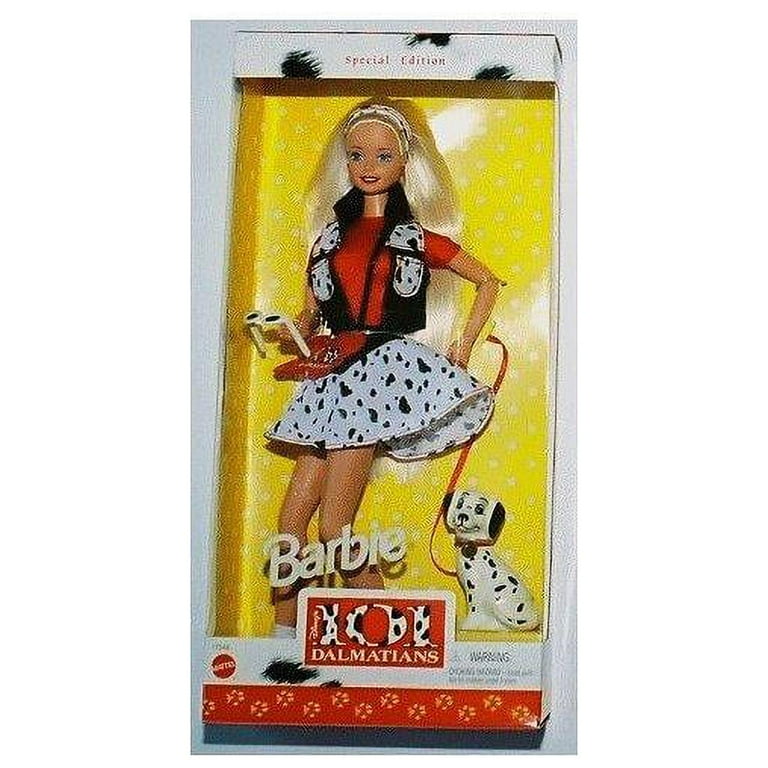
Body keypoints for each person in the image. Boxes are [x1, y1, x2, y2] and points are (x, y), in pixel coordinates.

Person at [263, 101, 503, 636]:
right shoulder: (327, 239)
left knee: (334, 527)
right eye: (357, 155)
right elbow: (308, 315)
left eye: (383, 156)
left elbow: (488, 281)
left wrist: (464, 343)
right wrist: (288, 330)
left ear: (404, 162)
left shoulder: (415, 238)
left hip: (375, 376)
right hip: (330, 373)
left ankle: (385, 627)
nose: (368, 166)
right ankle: (281, 636)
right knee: (290, 521)